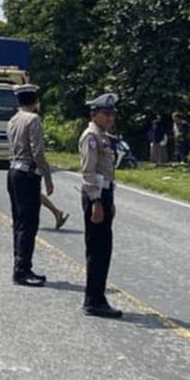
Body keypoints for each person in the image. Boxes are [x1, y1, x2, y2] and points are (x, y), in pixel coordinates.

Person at [80, 93, 123, 319]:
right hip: (95, 195)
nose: (110, 118)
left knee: (103, 249)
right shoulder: (91, 137)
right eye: (106, 114)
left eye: (112, 114)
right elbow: (89, 172)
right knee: (97, 249)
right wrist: (96, 201)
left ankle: (97, 296)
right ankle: (93, 300)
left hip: (104, 193)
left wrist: (109, 201)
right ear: (94, 114)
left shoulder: (103, 136)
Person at [6, 84, 52, 287]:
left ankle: (21, 265)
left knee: (19, 222)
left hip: (14, 171)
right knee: (29, 223)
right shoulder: (33, 119)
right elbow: (38, 151)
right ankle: (22, 270)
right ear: (35, 101)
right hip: (27, 173)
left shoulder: (13, 120)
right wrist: (47, 176)